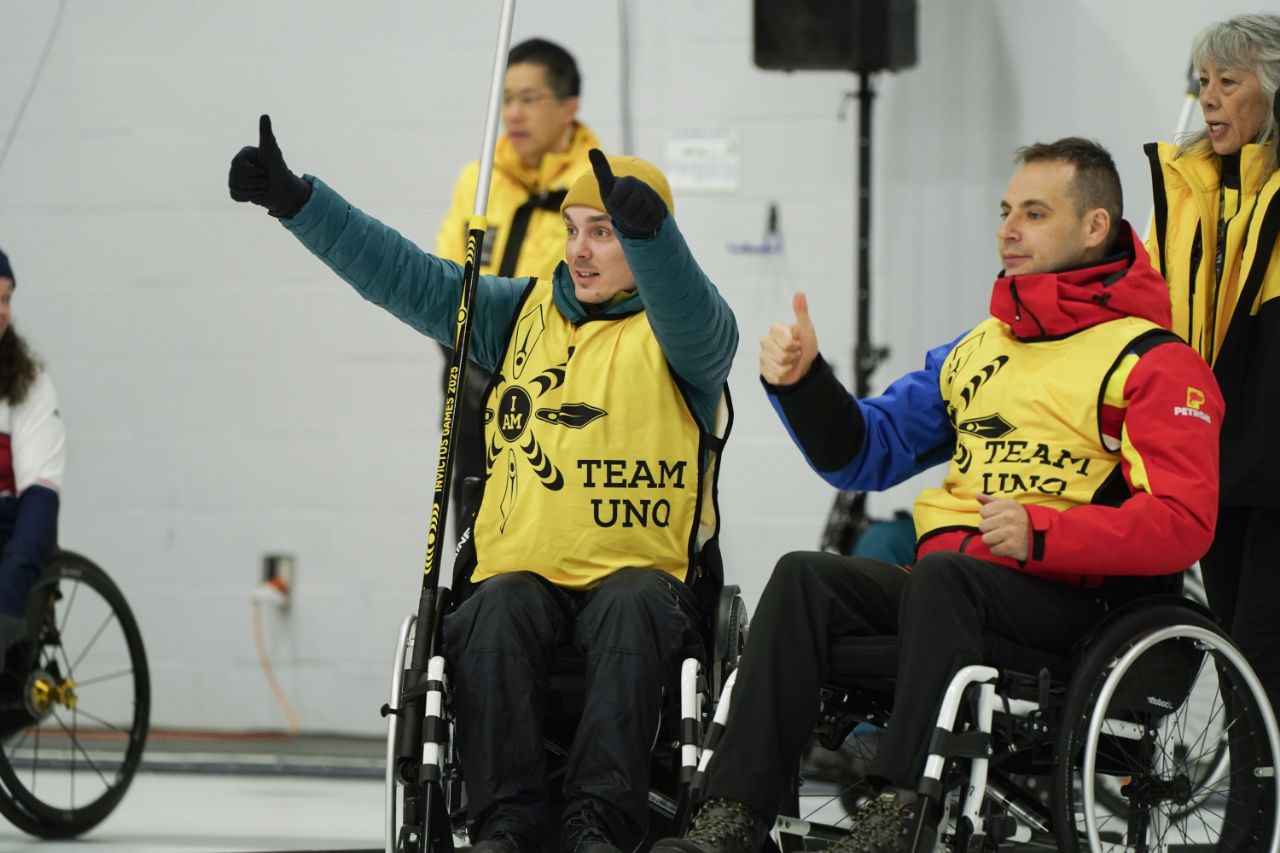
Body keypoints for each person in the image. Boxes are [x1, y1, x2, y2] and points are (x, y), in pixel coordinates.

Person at [655, 138, 1223, 853]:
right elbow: (864, 450)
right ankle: (732, 815)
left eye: (1034, 214)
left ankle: (897, 814)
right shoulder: (978, 349)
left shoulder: (1154, 361)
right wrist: (806, 384)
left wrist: (1046, 533)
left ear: (1095, 226)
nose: (1007, 229)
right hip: (956, 593)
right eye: (1005, 211)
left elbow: (1184, 522)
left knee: (948, 576)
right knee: (807, 575)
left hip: (1081, 601)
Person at [228, 119, 737, 853]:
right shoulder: (521, 310)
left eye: (605, 232)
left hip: (641, 576)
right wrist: (300, 202)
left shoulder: (689, 340)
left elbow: (697, 312)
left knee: (630, 610)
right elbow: (408, 278)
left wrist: (657, 240)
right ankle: (507, 821)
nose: (581, 249)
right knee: (489, 611)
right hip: (520, 569)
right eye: (573, 229)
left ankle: (598, 822)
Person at [1144, 13, 1280, 717]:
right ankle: (1254, 816)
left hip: (1271, 457)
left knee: (1259, 659)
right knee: (1236, 655)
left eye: (1230, 81)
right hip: (1212, 459)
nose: (1211, 98)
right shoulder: (1186, 191)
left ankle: (1249, 821)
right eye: (1203, 83)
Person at [435, 38, 600, 541]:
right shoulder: (479, 179)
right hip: (473, 374)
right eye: (506, 99)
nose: (513, 114)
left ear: (568, 107)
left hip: (561, 382)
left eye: (529, 99)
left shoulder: (598, 186)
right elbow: (445, 278)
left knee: (549, 523)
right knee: (475, 519)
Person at [0, 249, 65, 663]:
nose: (2, 311)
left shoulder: (27, 383)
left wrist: (7, 597)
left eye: (6, 299)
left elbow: (40, 500)